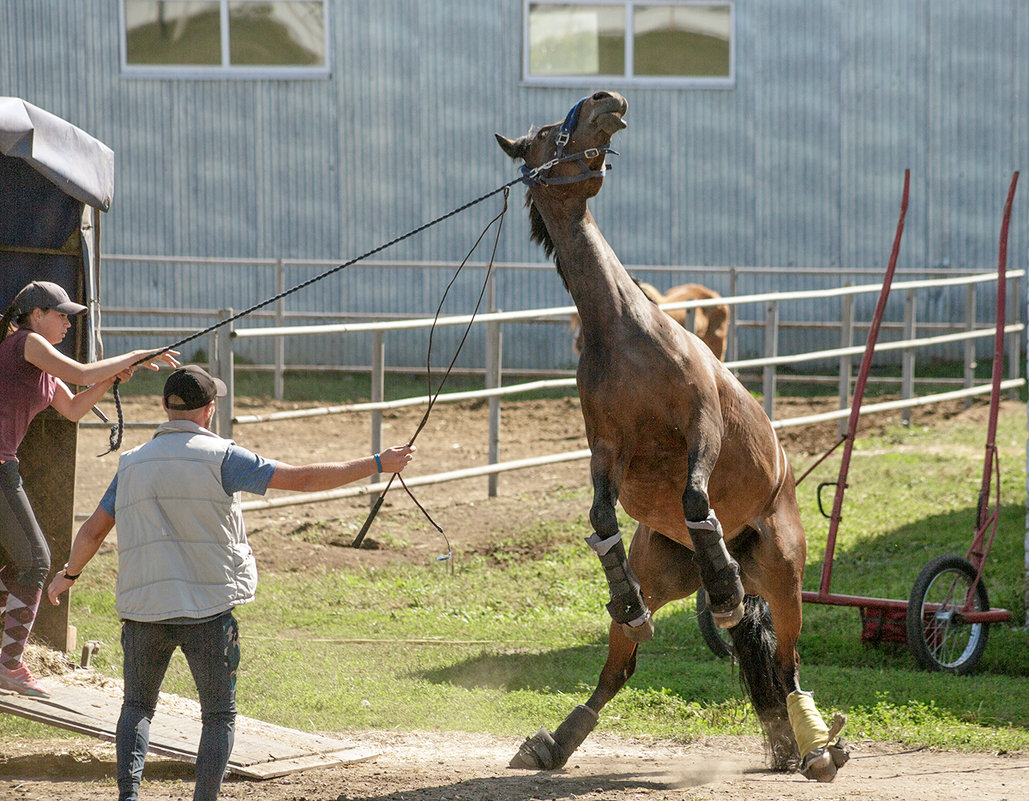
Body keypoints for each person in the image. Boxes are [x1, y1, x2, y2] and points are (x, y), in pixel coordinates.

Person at [47, 364, 416, 801]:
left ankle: (129, 796)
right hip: (208, 610)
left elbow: (91, 531)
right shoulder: (224, 457)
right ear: (209, 410)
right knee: (218, 714)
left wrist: (68, 575)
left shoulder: (131, 465)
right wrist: (378, 463)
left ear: (165, 407)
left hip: (144, 611)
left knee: (137, 708)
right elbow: (303, 479)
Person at [0, 280, 179, 699]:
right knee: (36, 561)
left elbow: (75, 408)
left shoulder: (42, 368)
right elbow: (80, 373)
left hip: (5, 464)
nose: (66, 322)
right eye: (60, 314)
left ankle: (7, 661)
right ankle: (9, 665)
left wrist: (114, 377)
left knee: (23, 564)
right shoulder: (27, 342)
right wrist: (134, 354)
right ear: (36, 315)